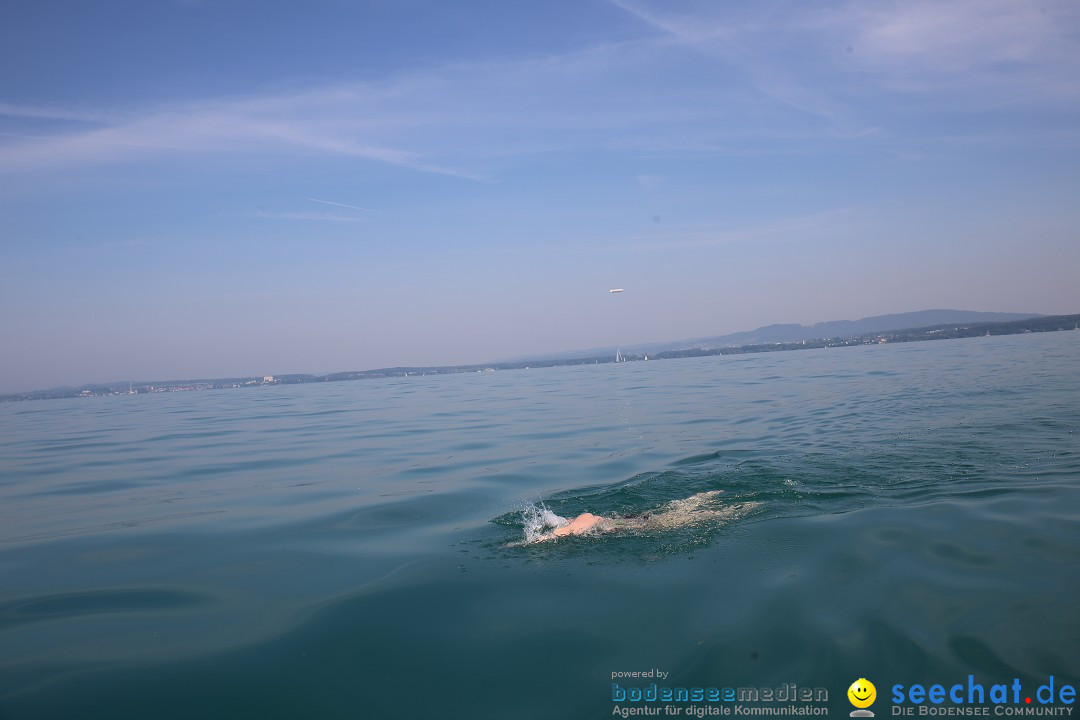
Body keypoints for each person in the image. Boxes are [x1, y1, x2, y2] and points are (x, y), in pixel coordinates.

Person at [526, 490, 755, 543]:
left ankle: (737, 508)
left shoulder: (579, 524)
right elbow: (559, 528)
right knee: (676, 511)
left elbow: (557, 533)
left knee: (688, 519)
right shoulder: (583, 517)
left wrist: (520, 543)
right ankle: (702, 498)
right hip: (632, 519)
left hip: (639, 525)